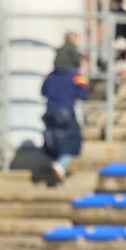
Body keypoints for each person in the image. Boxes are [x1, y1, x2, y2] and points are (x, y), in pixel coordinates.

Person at [41, 35, 90, 186]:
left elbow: (43, 91)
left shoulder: (50, 76)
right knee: (74, 141)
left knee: (54, 141)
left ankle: (57, 164)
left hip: (50, 112)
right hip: (66, 113)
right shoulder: (75, 76)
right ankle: (60, 165)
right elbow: (83, 95)